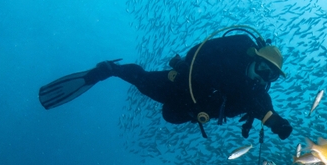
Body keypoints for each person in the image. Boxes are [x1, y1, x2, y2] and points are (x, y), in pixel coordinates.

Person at [39, 28, 293, 140]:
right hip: (179, 86)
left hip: (187, 111)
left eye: (270, 76)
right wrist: (184, 70)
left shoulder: (255, 92)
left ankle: (113, 70)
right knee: (142, 80)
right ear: (254, 59)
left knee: (169, 115)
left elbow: (265, 111)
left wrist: (279, 125)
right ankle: (108, 69)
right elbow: (198, 53)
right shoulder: (229, 58)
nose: (262, 78)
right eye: (262, 69)